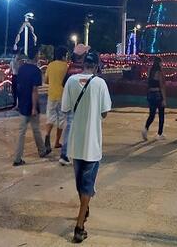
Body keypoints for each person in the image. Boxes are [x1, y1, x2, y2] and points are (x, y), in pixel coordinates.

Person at [62, 52, 112, 243]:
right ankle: (79, 227)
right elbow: (105, 112)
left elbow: (65, 108)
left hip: (75, 143)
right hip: (92, 144)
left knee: (80, 184)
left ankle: (84, 210)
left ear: (83, 64)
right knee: (86, 185)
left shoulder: (71, 81)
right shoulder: (100, 84)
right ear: (97, 66)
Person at [13, 47, 51, 166]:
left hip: (23, 104)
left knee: (21, 133)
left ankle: (17, 158)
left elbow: (18, 87)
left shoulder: (21, 69)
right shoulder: (36, 70)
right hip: (31, 105)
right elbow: (35, 90)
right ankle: (42, 151)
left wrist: (19, 104)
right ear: (35, 56)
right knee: (36, 130)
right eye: (38, 54)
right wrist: (34, 107)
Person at [44, 46, 69, 150]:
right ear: (63, 56)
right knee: (61, 120)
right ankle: (57, 142)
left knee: (50, 118)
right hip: (63, 96)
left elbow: (46, 81)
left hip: (51, 96)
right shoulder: (66, 67)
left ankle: (47, 135)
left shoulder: (50, 65)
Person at [143, 57, 167, 141]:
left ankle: (145, 129)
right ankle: (159, 134)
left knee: (152, 114)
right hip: (158, 95)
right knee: (161, 115)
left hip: (150, 94)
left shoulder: (150, 71)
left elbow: (148, 83)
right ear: (159, 63)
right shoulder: (159, 73)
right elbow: (162, 86)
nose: (162, 64)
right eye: (161, 63)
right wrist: (164, 99)